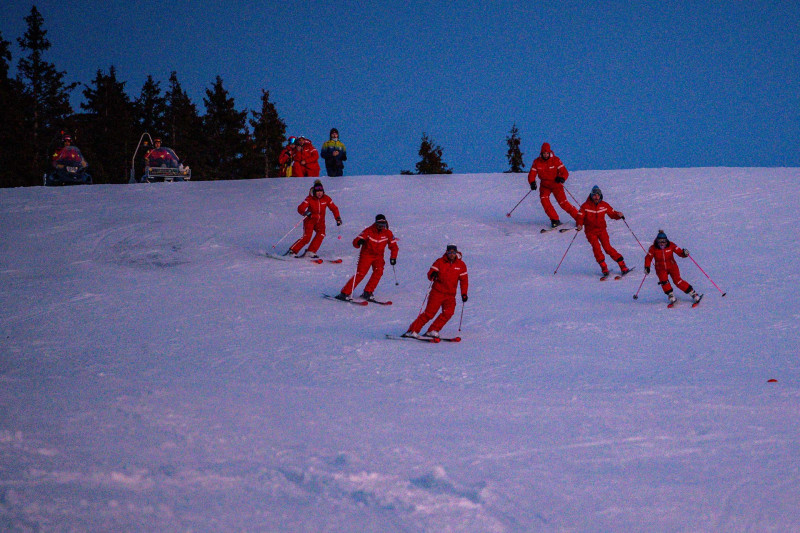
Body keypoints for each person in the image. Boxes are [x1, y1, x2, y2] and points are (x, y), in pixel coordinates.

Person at [403, 245, 469, 339]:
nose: (451, 254)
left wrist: (464, 293)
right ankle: (412, 331)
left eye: (453, 252)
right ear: (446, 252)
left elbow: (464, 281)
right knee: (429, 313)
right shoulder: (439, 261)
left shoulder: (461, 265)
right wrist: (433, 274)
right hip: (437, 292)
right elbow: (430, 273)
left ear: (456, 253)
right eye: (449, 252)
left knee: (448, 313)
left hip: (450, 295)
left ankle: (433, 330)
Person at [335, 214, 398, 302]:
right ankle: (345, 293)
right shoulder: (368, 231)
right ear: (375, 223)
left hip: (378, 256)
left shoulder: (388, 233)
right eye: (379, 224)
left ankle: (368, 292)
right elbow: (355, 242)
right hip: (366, 255)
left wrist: (393, 257)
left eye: (383, 225)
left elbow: (394, 246)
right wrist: (359, 242)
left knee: (378, 271)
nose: (381, 227)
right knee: (361, 273)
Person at [576, 185, 630, 277]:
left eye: (598, 195)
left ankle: (622, 264)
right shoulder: (585, 206)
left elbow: (612, 214)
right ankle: (603, 267)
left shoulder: (604, 205)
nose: (596, 197)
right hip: (590, 231)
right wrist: (579, 224)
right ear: (591, 195)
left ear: (600, 195)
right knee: (596, 248)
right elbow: (580, 217)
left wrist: (619, 215)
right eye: (594, 195)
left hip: (602, 230)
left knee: (607, 248)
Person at [527, 142, 579, 228]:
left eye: (547, 153)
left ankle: (579, 218)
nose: (546, 155)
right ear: (541, 153)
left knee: (563, 203)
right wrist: (532, 182)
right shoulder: (537, 162)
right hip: (545, 185)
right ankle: (554, 220)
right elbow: (532, 174)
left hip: (556, 184)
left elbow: (564, 172)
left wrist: (562, 178)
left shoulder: (556, 160)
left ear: (550, 152)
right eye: (544, 153)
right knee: (544, 200)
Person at [286, 179, 341, 258]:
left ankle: (311, 251)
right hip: (310, 221)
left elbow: (334, 208)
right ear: (314, 192)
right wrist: (305, 213)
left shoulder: (326, 198)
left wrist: (338, 218)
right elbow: (300, 208)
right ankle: (292, 251)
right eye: (317, 192)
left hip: (320, 222)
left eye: (321, 191)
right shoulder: (309, 199)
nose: (319, 193)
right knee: (307, 238)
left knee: (321, 234)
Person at [644, 230, 702, 305]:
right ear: (657, 241)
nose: (662, 244)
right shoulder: (653, 248)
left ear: (666, 240)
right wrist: (647, 267)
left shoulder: (671, 245)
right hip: (660, 268)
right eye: (660, 241)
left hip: (672, 266)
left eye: (664, 241)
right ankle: (670, 295)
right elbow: (648, 258)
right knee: (664, 282)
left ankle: (693, 293)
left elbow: (679, 252)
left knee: (678, 281)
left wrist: (684, 253)